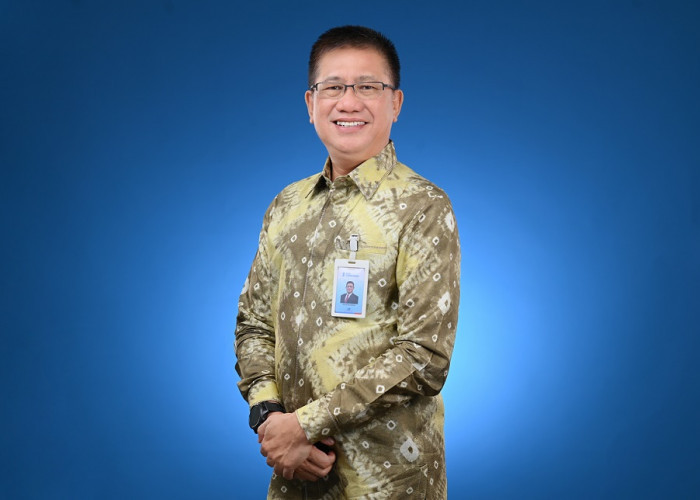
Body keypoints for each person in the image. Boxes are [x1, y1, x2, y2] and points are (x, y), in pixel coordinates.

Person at [234, 25, 460, 499]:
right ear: (310, 103)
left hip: (389, 480)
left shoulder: (422, 207)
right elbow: (254, 323)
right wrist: (269, 415)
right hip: (296, 476)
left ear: (395, 103)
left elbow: (424, 357)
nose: (349, 102)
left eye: (368, 87)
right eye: (333, 87)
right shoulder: (287, 205)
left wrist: (305, 425)